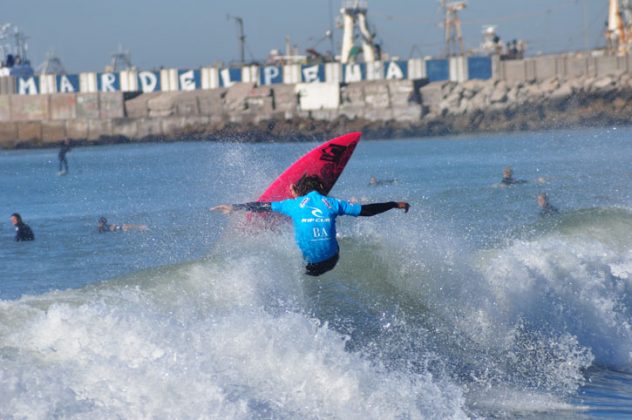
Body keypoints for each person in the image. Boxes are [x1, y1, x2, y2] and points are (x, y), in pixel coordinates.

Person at [211, 174, 410, 276]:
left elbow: (262, 206)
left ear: (297, 193)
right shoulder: (333, 203)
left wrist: (234, 207)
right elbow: (366, 211)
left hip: (307, 261)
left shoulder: (291, 204)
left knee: (296, 228)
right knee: (336, 218)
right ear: (321, 190)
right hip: (331, 260)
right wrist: (394, 204)